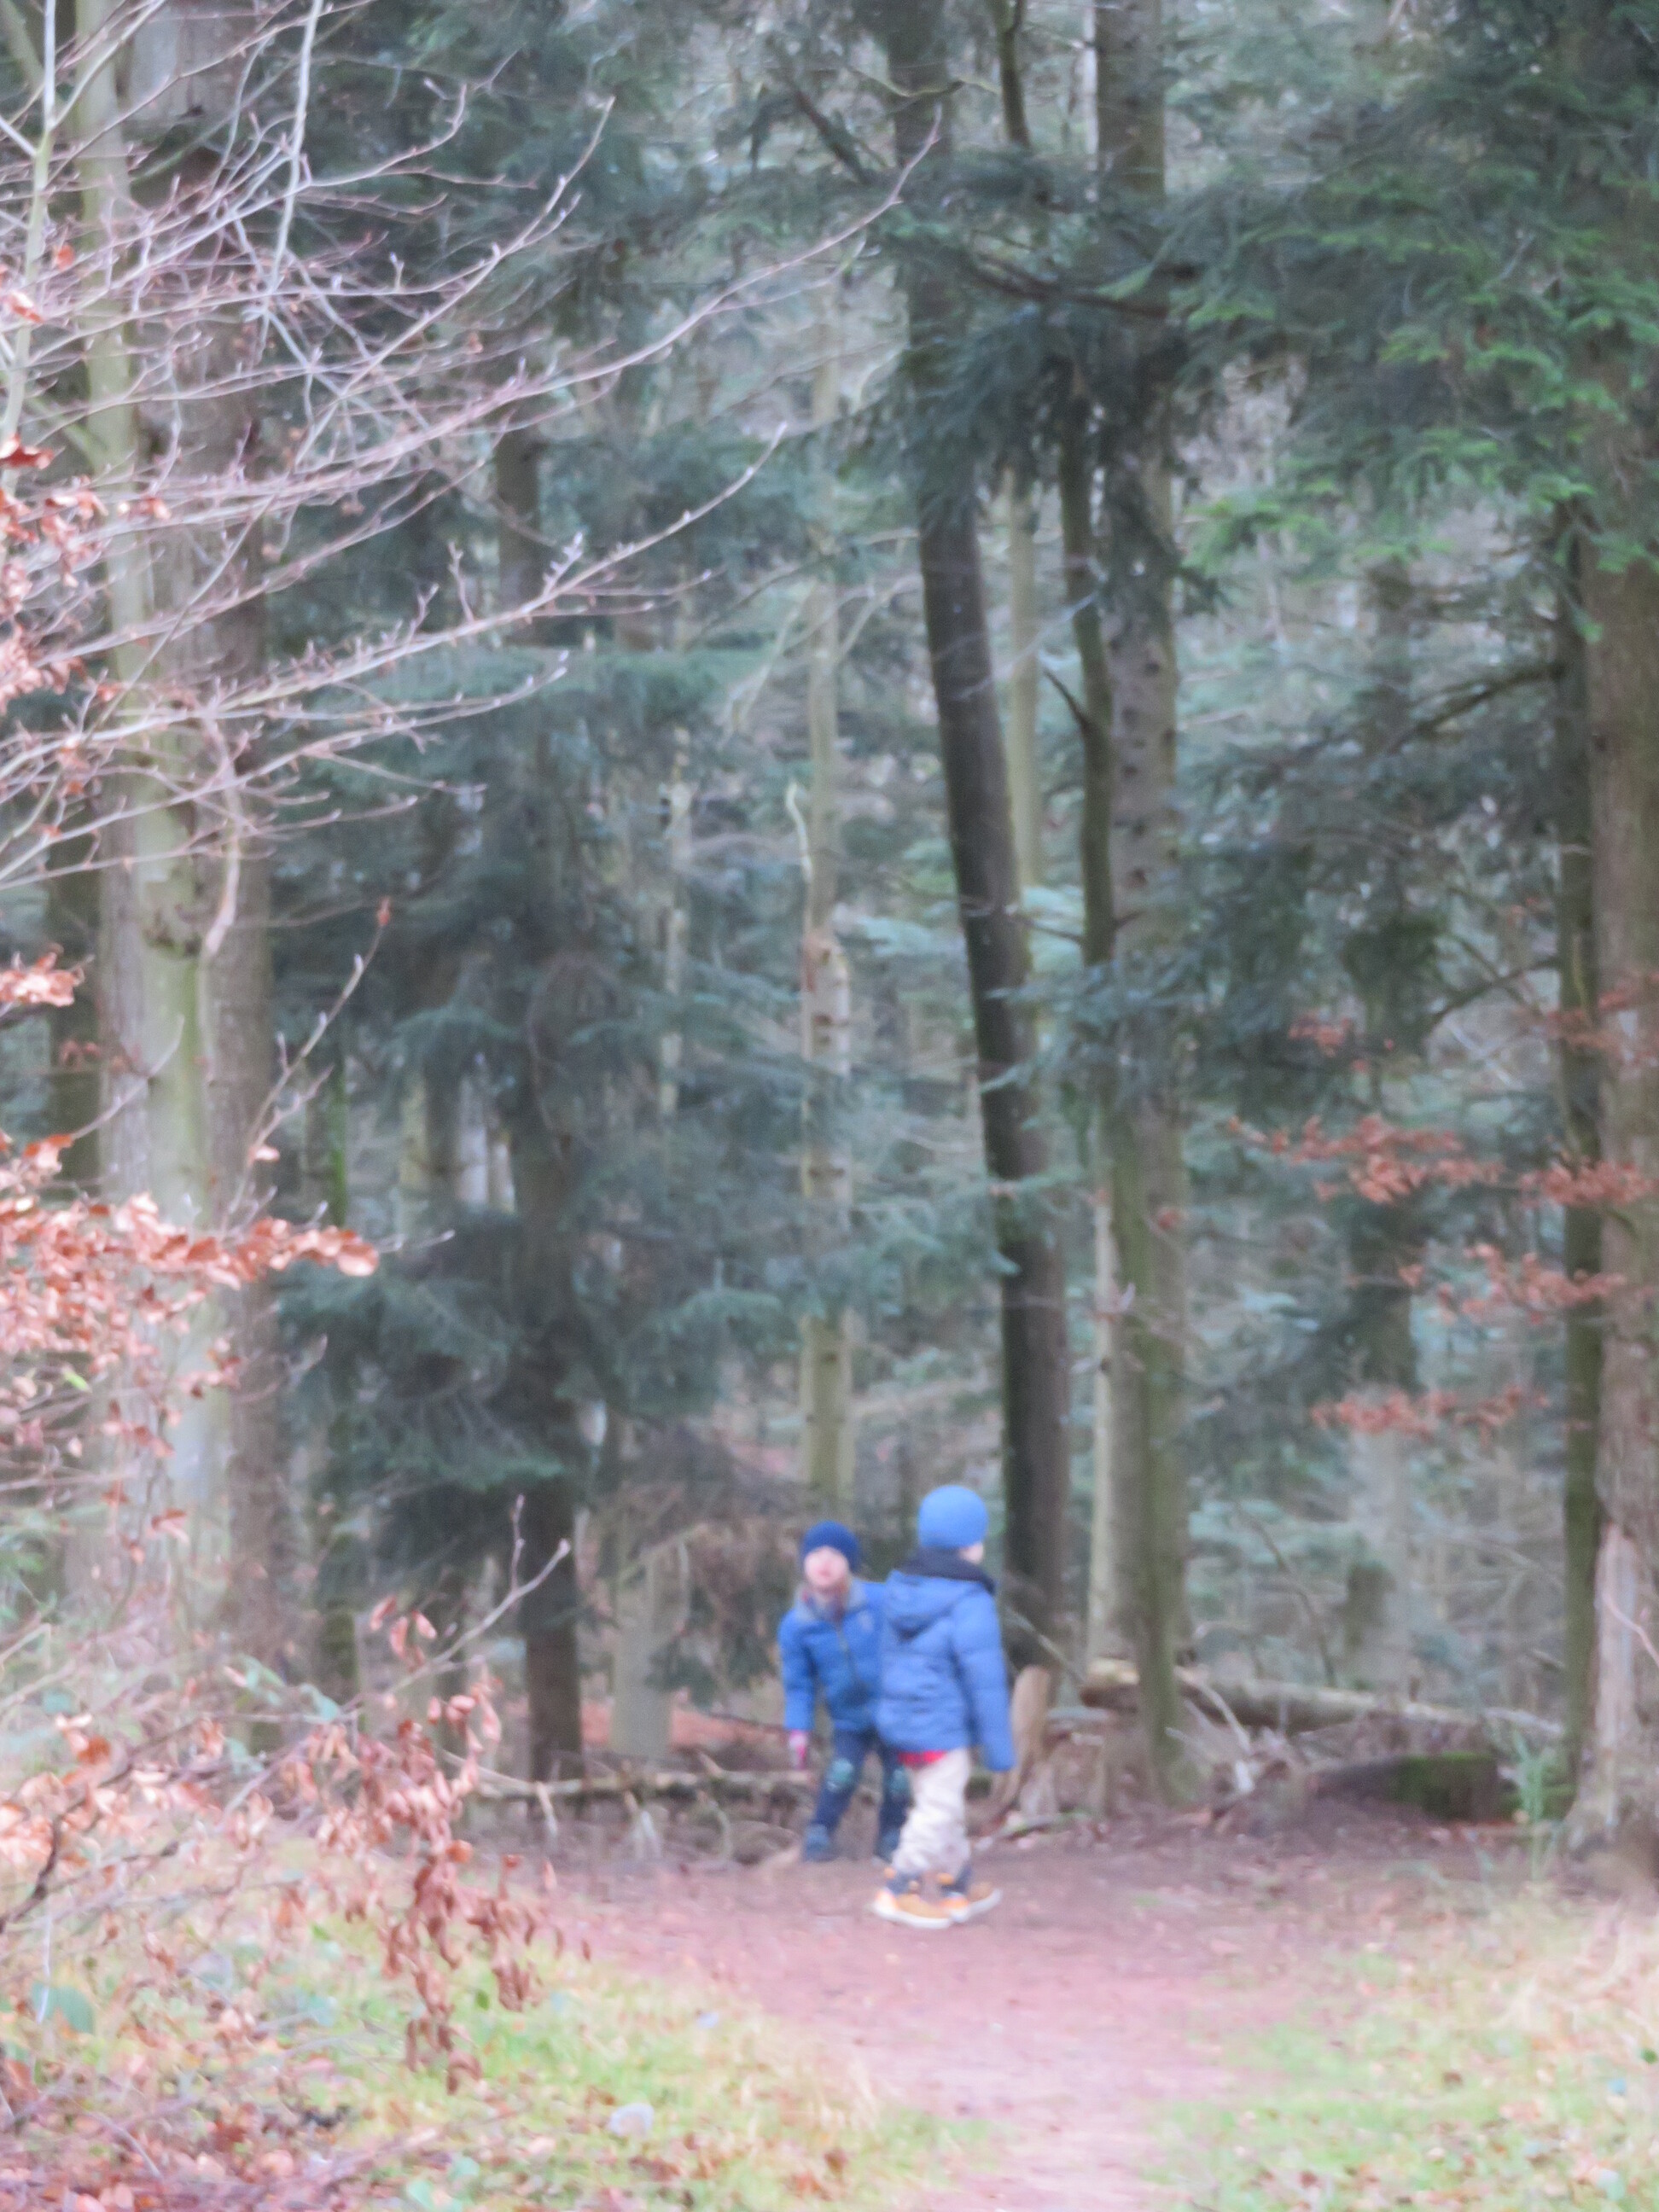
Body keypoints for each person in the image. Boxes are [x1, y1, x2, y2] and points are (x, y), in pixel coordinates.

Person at [873, 1484, 1014, 1929]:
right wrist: (999, 1751)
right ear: (971, 1546)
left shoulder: (900, 1589)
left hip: (904, 1721)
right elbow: (985, 1681)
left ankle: (958, 1885)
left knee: (941, 1801)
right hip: (942, 1725)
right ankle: (900, 1885)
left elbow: (885, 1661)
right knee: (938, 1807)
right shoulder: (970, 1600)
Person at [778, 1520, 909, 1864]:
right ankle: (820, 1833)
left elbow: (913, 1640)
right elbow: (799, 1685)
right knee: (842, 1773)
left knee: (899, 1777)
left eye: (835, 1554)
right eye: (816, 1554)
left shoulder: (879, 1601)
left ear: (849, 1563)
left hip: (894, 1708)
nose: (825, 1561)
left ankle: (892, 1836)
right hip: (848, 1717)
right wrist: (798, 1730)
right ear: (804, 1562)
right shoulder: (797, 1625)